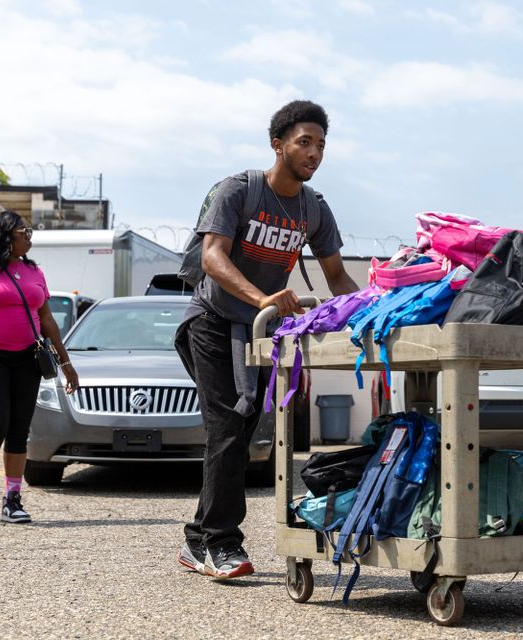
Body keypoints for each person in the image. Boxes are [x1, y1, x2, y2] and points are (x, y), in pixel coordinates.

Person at [175, 100, 358, 579]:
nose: (314, 153)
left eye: (321, 145)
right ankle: (220, 543)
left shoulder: (313, 209)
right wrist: (263, 299)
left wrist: (374, 312)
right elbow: (213, 257)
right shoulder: (240, 191)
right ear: (277, 144)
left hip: (258, 330)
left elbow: (337, 275)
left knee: (239, 430)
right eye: (304, 142)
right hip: (214, 320)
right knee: (230, 424)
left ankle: (199, 538)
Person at [0, 211, 79, 523]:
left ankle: (12, 498)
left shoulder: (34, 271)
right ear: (5, 235)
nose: (29, 236)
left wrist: (66, 363)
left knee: (19, 428)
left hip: (28, 358)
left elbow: (47, 319)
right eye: (24, 231)